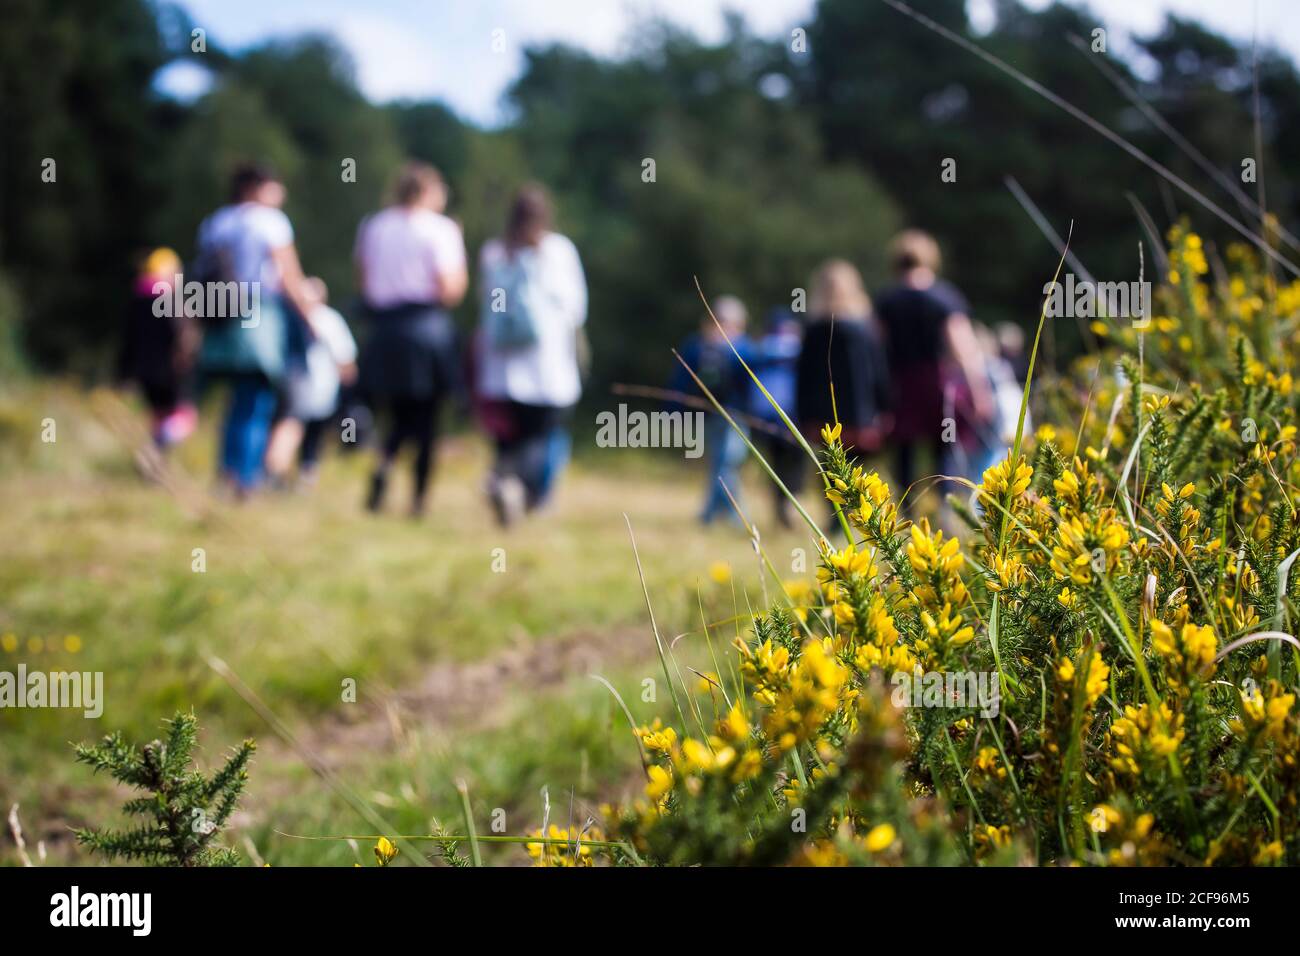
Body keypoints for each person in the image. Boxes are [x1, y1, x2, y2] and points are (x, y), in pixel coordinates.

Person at [194, 162, 317, 497]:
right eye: (275, 186)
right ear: (255, 187)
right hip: (258, 313)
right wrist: (309, 316)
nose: (281, 193)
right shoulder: (270, 221)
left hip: (219, 312)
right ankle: (245, 479)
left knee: (235, 398)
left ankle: (226, 473)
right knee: (255, 398)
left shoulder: (216, 221)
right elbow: (288, 276)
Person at [355, 162, 468, 517]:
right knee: (427, 419)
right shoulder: (441, 229)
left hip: (384, 329)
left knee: (396, 414)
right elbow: (451, 290)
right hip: (426, 329)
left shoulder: (374, 225)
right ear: (427, 191)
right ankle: (418, 499)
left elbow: (364, 278)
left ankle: (384, 464)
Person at [476, 184, 587, 526]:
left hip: (502, 364)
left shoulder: (494, 252)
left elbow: (485, 304)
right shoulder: (558, 251)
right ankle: (523, 491)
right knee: (539, 435)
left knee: (507, 434)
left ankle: (504, 480)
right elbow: (576, 308)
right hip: (546, 365)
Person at [874, 230, 993, 503]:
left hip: (900, 384)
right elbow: (963, 348)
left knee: (904, 450)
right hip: (939, 383)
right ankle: (947, 504)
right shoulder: (945, 298)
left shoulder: (886, 300)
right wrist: (979, 391)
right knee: (946, 447)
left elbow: (876, 349)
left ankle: (906, 511)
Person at [264, 277, 358, 487]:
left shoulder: (296, 316)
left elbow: (346, 361)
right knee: (298, 431)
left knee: (297, 431)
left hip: (307, 387)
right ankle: (283, 475)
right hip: (306, 388)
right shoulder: (321, 319)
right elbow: (347, 361)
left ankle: (287, 476)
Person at [671, 295, 754, 525]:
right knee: (720, 464)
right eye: (717, 319)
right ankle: (723, 516)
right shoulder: (696, 346)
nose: (722, 326)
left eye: (728, 321)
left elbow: (754, 385)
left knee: (725, 463)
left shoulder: (746, 350)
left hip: (736, 417)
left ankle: (720, 516)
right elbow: (681, 380)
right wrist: (674, 411)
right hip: (708, 416)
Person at [795, 259, 892, 454]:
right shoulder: (864, 331)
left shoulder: (812, 331)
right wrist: (884, 409)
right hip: (860, 419)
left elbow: (803, 378)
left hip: (820, 421)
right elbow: (876, 374)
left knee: (829, 477)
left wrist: (803, 417)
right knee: (860, 478)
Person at [117, 247, 198, 450]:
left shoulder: (136, 301)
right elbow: (184, 336)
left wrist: (123, 375)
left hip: (144, 373)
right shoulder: (170, 299)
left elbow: (127, 342)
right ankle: (157, 445)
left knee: (159, 417)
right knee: (185, 418)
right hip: (170, 372)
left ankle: (154, 462)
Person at [748, 308, 804, 528]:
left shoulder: (759, 351)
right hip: (794, 416)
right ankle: (791, 500)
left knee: (776, 465)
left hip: (766, 417)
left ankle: (782, 504)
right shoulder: (799, 350)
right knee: (796, 462)